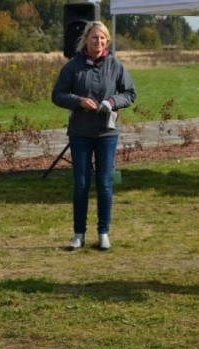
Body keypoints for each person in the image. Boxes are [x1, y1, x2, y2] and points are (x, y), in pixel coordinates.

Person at [52, 20, 136, 251]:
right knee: (81, 184)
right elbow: (57, 94)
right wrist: (78, 101)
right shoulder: (73, 66)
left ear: (106, 41)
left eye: (102, 38)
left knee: (105, 183)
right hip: (80, 132)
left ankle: (104, 233)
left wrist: (112, 102)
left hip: (107, 132)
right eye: (94, 38)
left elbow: (130, 93)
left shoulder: (115, 65)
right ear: (86, 40)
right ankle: (78, 234)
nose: (98, 42)